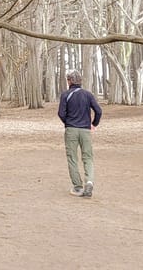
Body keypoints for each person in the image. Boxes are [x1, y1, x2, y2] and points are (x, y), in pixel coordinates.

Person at [58, 70, 102, 198]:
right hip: (85, 130)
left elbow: (61, 113)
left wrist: (68, 122)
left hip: (71, 130)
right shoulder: (88, 95)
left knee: (72, 158)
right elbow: (98, 111)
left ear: (70, 81)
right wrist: (93, 124)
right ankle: (89, 181)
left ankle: (78, 187)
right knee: (87, 157)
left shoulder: (65, 95)